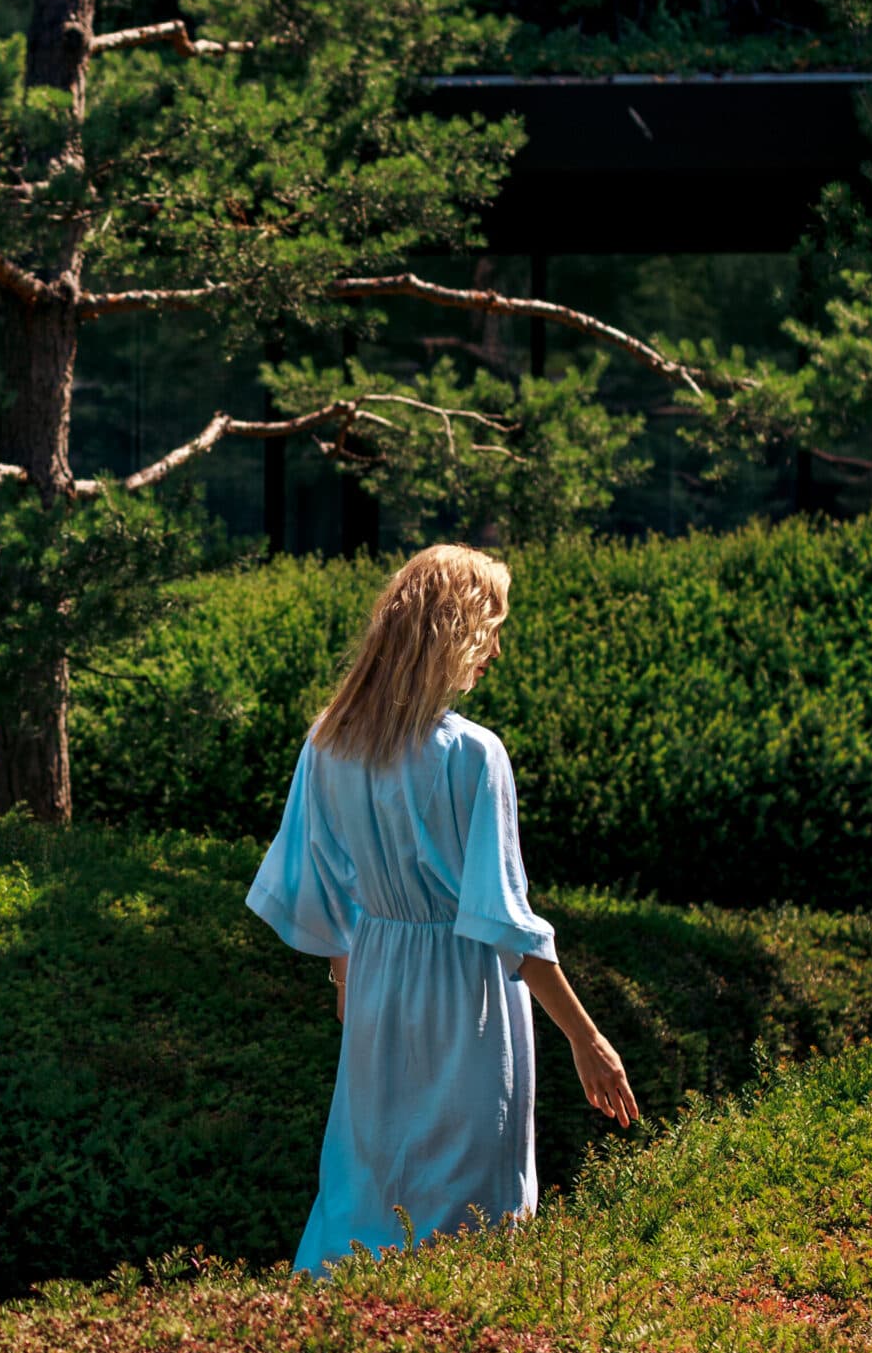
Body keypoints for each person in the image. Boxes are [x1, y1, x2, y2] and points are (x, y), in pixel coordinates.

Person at [247, 542, 639, 1276]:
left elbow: (317, 882)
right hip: (467, 1000)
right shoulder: (472, 755)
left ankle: (327, 1325)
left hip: (378, 991)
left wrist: (348, 981)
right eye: (491, 627)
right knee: (468, 1205)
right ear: (455, 631)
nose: (495, 648)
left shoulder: (328, 742)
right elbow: (505, 920)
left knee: (367, 1187)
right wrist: (587, 1040)